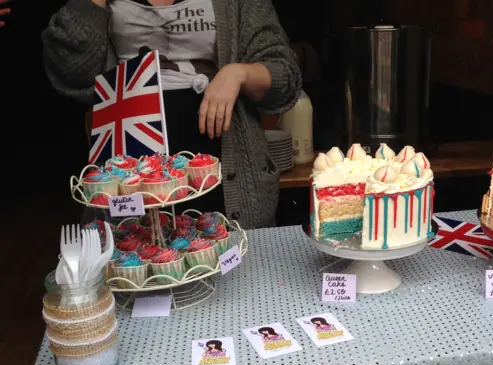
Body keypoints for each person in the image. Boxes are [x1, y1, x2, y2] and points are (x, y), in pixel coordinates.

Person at [42, 0, 302, 228]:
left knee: (232, 270)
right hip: (130, 164)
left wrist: (239, 73)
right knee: (135, 262)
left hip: (225, 165)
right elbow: (70, 74)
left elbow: (284, 75)